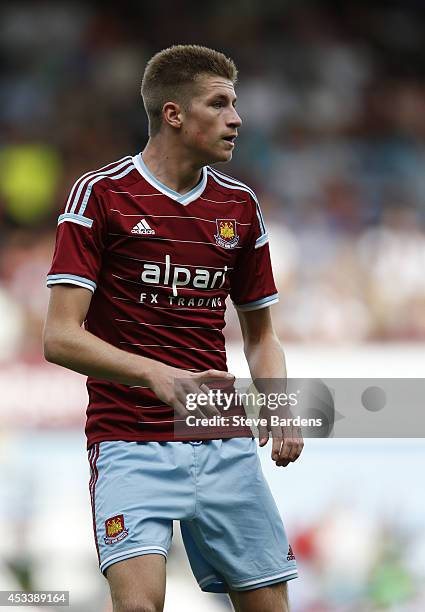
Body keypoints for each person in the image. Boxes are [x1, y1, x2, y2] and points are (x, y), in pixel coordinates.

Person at [43, 44, 303, 612]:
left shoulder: (240, 208)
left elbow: (261, 334)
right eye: (220, 104)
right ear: (174, 114)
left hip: (221, 435)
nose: (237, 119)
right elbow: (60, 336)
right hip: (128, 440)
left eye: (236, 104)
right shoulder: (101, 196)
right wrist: (157, 376)